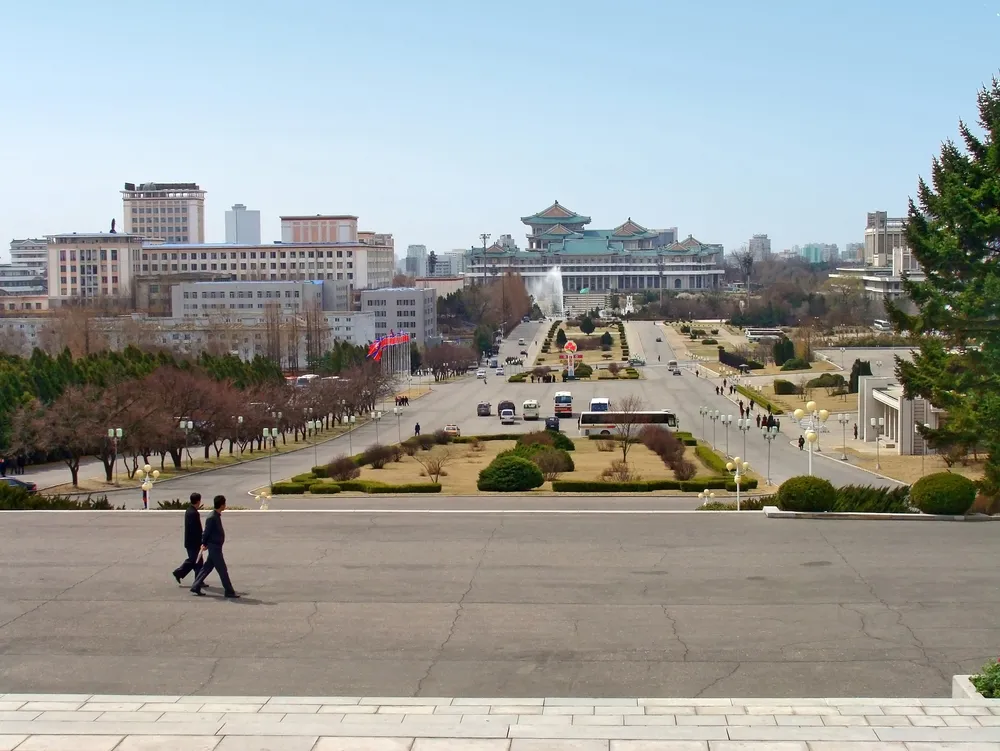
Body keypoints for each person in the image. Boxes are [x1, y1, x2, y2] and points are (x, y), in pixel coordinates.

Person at [191, 495, 239, 598]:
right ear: (222, 505)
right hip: (215, 548)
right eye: (224, 504)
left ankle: (195, 586)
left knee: (206, 568)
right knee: (222, 570)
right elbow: (206, 532)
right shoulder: (212, 517)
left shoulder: (216, 516)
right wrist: (204, 543)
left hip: (216, 547)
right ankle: (229, 591)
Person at [173, 493, 206, 585]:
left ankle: (196, 579)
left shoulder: (189, 510)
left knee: (195, 561)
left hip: (190, 542)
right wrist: (202, 540)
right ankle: (196, 580)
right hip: (193, 543)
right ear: (198, 501)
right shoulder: (194, 513)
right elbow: (196, 529)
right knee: (197, 562)